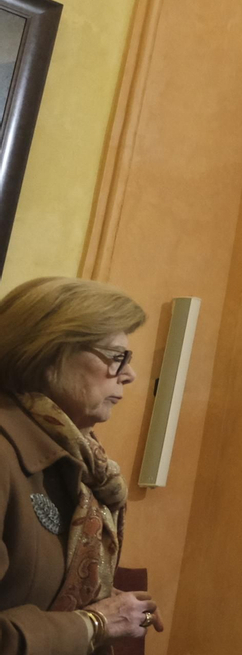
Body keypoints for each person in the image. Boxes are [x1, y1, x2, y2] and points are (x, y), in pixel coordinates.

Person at [0, 277, 164, 654]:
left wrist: (96, 594)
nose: (130, 374)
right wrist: (95, 621)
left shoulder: (82, 461)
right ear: (47, 353)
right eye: (115, 356)